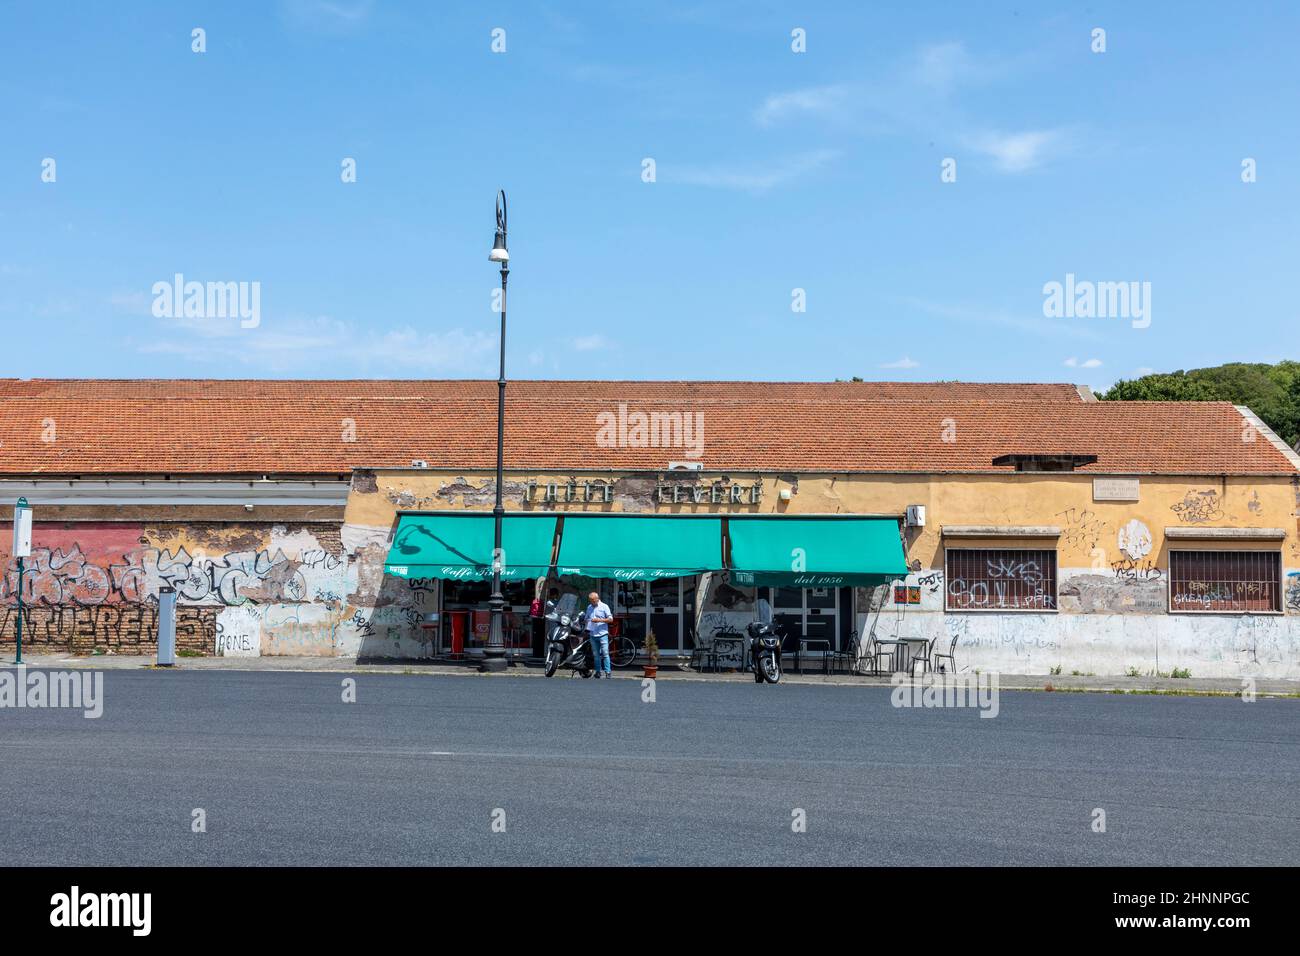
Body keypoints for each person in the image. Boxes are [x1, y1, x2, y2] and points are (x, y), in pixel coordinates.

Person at [583, 590, 614, 678]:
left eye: (592, 601)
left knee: (605, 653)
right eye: (590, 601)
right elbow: (586, 618)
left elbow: (610, 619)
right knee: (596, 655)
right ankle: (598, 671)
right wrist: (586, 620)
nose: (591, 602)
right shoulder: (589, 607)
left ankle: (608, 672)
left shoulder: (604, 606)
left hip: (602, 634)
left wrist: (599, 620)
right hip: (592, 634)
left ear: (597, 599)